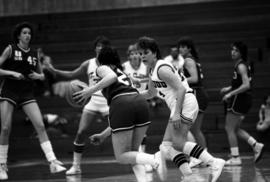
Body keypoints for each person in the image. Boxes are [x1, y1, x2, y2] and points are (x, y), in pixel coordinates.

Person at [136, 36, 225, 182]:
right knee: (166, 146)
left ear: (154, 52)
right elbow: (151, 93)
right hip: (180, 105)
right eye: (140, 53)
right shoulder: (152, 70)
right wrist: (132, 95)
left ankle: (214, 162)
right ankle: (189, 176)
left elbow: (181, 89)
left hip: (185, 103)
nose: (142, 56)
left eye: (145, 52)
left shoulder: (162, 68)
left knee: (177, 143)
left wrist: (176, 112)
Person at [73, 46, 166, 182]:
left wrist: (90, 90)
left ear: (100, 60)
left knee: (121, 156)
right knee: (133, 153)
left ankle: (153, 159)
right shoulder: (123, 72)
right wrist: (104, 135)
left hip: (123, 103)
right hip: (140, 102)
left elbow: (111, 78)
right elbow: (121, 114)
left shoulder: (102, 68)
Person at [0, 22, 66, 180]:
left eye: (29, 33)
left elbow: (41, 75)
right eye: (24, 32)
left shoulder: (34, 53)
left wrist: (38, 76)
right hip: (9, 91)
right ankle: (2, 165)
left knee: (41, 125)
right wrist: (12, 73)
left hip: (26, 93)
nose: (27, 35)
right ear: (18, 35)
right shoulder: (10, 49)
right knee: (5, 128)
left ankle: (53, 161)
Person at [44, 36, 111, 175]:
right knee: (80, 133)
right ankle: (76, 166)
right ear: (95, 48)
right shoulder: (89, 63)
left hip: (107, 102)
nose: (100, 48)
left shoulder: (111, 64)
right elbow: (72, 74)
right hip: (92, 101)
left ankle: (138, 159)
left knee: (120, 127)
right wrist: (55, 71)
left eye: (103, 46)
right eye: (98, 45)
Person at [220, 41, 264, 165]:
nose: (233, 52)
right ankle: (256, 145)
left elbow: (246, 85)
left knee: (229, 128)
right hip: (244, 100)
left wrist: (230, 94)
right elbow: (239, 82)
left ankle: (235, 157)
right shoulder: (241, 65)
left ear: (241, 53)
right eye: (232, 49)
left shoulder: (241, 66)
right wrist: (229, 88)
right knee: (235, 129)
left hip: (239, 100)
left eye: (236, 50)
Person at [177, 37, 209, 168]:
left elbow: (194, 78)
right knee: (196, 130)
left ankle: (198, 157)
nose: (181, 49)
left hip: (197, 95)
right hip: (200, 94)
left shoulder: (188, 60)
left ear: (189, 48)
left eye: (184, 47)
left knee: (187, 129)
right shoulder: (192, 60)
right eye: (180, 47)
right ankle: (205, 157)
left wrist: (179, 80)